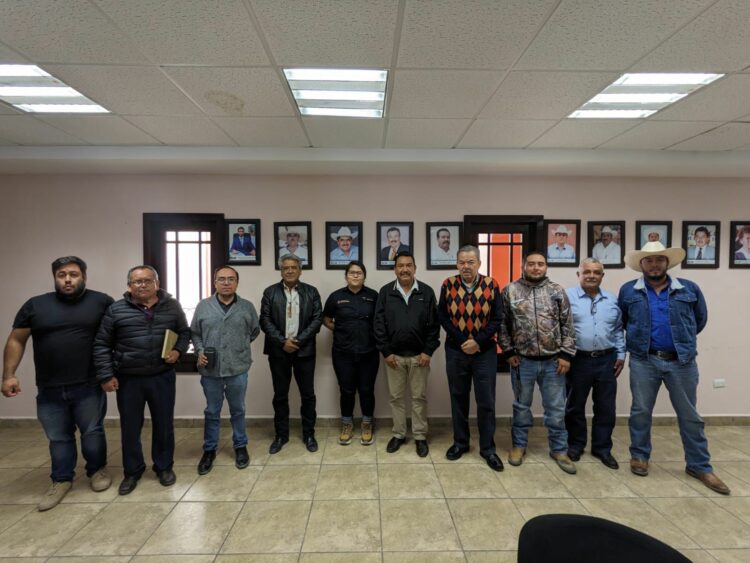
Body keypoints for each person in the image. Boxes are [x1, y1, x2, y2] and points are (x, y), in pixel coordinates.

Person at [2, 256, 113, 511]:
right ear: (55, 278)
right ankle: (61, 480)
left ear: (84, 276)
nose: (67, 279)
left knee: (92, 431)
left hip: (88, 384)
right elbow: (16, 339)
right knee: (58, 437)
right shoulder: (36, 305)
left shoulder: (101, 302)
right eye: (61, 275)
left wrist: (111, 372)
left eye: (73, 274)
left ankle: (97, 471)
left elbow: (118, 335)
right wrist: (8, 375)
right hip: (49, 387)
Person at [618, 242, 730, 494]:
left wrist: (681, 341)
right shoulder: (628, 291)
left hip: (682, 361)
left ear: (667, 263)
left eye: (659, 259)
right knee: (640, 411)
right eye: (649, 260)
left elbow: (699, 320)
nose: (654, 265)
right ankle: (640, 456)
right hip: (644, 360)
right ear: (641, 264)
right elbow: (624, 321)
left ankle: (699, 465)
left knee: (690, 415)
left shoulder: (689, 289)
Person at [94, 265, 190, 495]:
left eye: (148, 280)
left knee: (164, 425)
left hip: (162, 376)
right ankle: (132, 471)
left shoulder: (172, 306)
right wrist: (106, 375)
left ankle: (164, 467)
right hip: (129, 379)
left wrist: (178, 350)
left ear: (157, 283)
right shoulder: (116, 310)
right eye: (137, 281)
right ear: (129, 286)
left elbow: (185, 332)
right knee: (130, 428)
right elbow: (102, 344)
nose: (143, 285)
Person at [499, 251, 577, 474]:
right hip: (522, 361)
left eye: (540, 264)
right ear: (523, 266)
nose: (536, 267)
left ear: (546, 266)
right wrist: (508, 351)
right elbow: (503, 325)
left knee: (556, 408)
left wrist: (566, 355)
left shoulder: (556, 291)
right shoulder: (510, 291)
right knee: (521, 407)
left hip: (554, 362)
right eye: (531, 264)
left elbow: (568, 324)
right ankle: (519, 446)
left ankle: (559, 449)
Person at [437, 245, 504, 471]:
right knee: (458, 398)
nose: (466, 266)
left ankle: (488, 449)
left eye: (470, 262)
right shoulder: (448, 284)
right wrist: (462, 342)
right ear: (457, 264)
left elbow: (497, 318)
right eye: (462, 262)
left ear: (479, 263)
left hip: (484, 352)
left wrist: (478, 342)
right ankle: (460, 443)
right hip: (456, 351)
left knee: (486, 401)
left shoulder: (492, 284)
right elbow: (442, 316)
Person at [191, 265, 260, 475]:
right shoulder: (203, 306)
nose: (226, 283)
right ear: (215, 282)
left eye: (231, 279)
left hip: (238, 368)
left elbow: (254, 331)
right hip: (210, 370)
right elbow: (195, 333)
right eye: (221, 279)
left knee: (238, 409)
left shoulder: (246, 307)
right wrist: (200, 351)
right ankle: (209, 450)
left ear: (237, 282)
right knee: (212, 411)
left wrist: (238, 347)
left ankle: (240, 446)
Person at [374, 251, 439, 457]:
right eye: (400, 266)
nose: (404, 269)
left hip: (420, 357)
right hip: (394, 357)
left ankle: (419, 436)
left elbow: (434, 325)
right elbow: (378, 325)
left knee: (419, 398)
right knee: (396, 398)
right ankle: (399, 434)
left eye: (408, 265)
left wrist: (428, 351)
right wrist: (386, 351)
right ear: (395, 269)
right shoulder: (386, 292)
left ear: (414, 268)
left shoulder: (426, 292)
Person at [565, 258, 625, 470]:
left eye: (596, 272)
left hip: (607, 359)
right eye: (587, 272)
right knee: (574, 406)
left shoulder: (612, 299)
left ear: (602, 276)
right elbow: (559, 328)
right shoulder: (566, 297)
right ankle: (576, 445)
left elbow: (618, 329)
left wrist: (621, 354)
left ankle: (602, 448)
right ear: (578, 274)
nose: (591, 276)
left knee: (606, 407)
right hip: (577, 359)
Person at [260, 254, 322, 454]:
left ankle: (309, 434)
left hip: (304, 351)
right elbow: (265, 320)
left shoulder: (311, 292)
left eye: (293, 267)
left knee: (308, 395)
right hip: (278, 351)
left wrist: (298, 341)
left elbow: (317, 319)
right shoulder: (270, 292)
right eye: (285, 268)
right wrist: (282, 342)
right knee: (280, 395)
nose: (289, 271)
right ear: (281, 271)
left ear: (300, 270)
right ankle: (281, 435)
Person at [323, 261, 379, 446]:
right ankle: (347, 424)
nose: (355, 275)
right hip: (343, 353)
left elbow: (380, 320)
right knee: (346, 390)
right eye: (352, 272)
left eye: (359, 273)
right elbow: (326, 319)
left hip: (369, 352)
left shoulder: (373, 296)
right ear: (346, 276)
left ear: (364, 276)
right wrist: (340, 330)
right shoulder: (336, 297)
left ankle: (367, 424)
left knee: (366, 390)